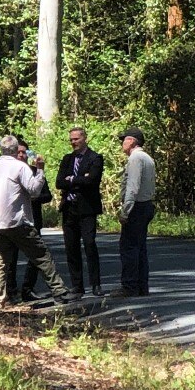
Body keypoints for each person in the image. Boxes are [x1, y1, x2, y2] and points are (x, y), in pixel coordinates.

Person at [0, 135, 76, 308]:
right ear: (16, 150)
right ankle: (59, 291)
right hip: (17, 221)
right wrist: (40, 170)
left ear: (0, 149)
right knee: (41, 255)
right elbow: (34, 191)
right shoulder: (20, 167)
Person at [56, 126, 105, 296]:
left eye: (76, 139)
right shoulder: (67, 159)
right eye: (71, 139)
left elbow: (92, 180)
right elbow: (59, 182)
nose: (73, 142)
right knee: (71, 247)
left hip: (87, 209)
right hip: (69, 209)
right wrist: (78, 179)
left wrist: (72, 180)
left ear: (84, 138)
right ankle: (77, 285)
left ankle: (96, 284)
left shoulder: (95, 158)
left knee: (90, 245)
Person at [7, 137, 54, 303]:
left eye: (24, 152)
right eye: (18, 152)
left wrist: (33, 198)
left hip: (33, 219)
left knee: (36, 257)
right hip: (12, 220)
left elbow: (47, 195)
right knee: (10, 257)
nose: (21, 155)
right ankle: (11, 291)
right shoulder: (8, 171)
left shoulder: (35, 171)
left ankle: (28, 289)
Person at [114, 127, 156, 298]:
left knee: (129, 248)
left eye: (124, 140)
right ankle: (141, 287)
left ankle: (129, 287)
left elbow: (133, 187)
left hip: (137, 207)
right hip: (147, 205)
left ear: (131, 141)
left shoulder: (135, 159)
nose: (122, 143)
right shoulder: (147, 158)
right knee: (140, 248)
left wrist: (125, 212)